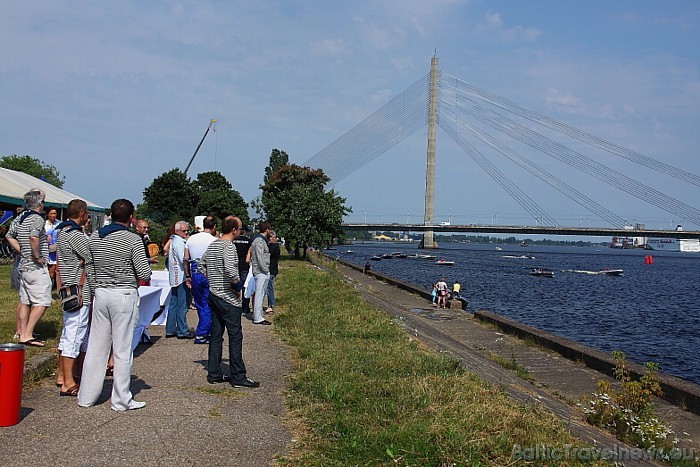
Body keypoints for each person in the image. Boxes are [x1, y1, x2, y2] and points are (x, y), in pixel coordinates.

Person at [78, 198, 151, 411]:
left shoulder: (95, 237)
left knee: (96, 346)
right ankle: (121, 399)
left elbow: (89, 268)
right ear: (131, 218)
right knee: (122, 348)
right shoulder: (133, 240)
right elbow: (144, 272)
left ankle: (87, 396)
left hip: (100, 292)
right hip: (123, 293)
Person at [200, 216, 259, 388]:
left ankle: (214, 373)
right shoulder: (228, 247)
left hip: (214, 294)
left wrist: (212, 279)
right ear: (234, 230)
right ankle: (238, 376)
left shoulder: (213, 245)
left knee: (216, 336)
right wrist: (237, 287)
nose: (240, 231)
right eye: (239, 229)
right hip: (228, 298)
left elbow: (201, 265)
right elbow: (231, 270)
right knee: (235, 336)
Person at [55, 199, 92, 397]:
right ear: (82, 213)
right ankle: (68, 382)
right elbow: (91, 255)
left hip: (67, 286)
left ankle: (63, 375)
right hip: (79, 289)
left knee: (67, 332)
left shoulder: (62, 231)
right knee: (75, 333)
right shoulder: (75, 234)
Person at [5, 189, 50, 347]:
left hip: (23, 264)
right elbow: (33, 237)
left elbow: (9, 236)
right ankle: (27, 334)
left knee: (25, 300)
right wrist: (37, 256)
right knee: (42, 301)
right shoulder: (37, 219)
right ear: (39, 203)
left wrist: (21, 250)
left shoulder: (20, 218)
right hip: (35, 266)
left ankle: (21, 331)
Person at [184, 216, 217, 344]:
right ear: (214, 227)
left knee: (199, 304)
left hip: (194, 272)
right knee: (208, 304)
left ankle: (205, 329)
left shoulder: (191, 239)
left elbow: (185, 259)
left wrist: (188, 276)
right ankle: (202, 333)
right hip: (208, 273)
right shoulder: (214, 241)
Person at [166, 221, 193, 339]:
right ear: (177, 231)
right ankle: (182, 330)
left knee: (174, 304)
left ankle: (170, 329)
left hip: (175, 276)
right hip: (181, 275)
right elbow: (184, 259)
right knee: (182, 305)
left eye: (187, 230)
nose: (186, 232)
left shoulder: (174, 241)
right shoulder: (180, 243)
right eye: (184, 231)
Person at [249, 221, 272, 325]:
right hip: (261, 271)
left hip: (262, 271)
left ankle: (258, 315)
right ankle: (258, 317)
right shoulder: (259, 241)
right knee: (259, 294)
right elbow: (259, 256)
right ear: (267, 230)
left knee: (261, 293)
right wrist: (265, 269)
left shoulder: (260, 240)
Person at [232, 225, 252, 314]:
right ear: (245, 232)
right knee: (245, 286)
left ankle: (234, 305)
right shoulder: (248, 241)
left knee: (234, 285)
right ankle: (245, 307)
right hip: (244, 264)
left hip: (235, 264)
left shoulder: (233, 240)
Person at [134, 219, 157, 286]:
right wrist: (149, 260)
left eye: (147, 227)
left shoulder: (143, 238)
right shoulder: (137, 240)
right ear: (137, 228)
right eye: (144, 227)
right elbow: (137, 257)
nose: (146, 229)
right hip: (139, 273)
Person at [265, 230, 280, 314]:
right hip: (270, 270)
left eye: (271, 237)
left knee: (269, 288)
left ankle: (271, 305)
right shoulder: (270, 246)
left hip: (271, 270)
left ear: (274, 238)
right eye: (269, 237)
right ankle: (270, 304)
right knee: (268, 287)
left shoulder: (275, 247)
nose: (269, 239)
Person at [45, 206, 60, 290]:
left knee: (52, 272)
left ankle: (50, 289)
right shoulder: (44, 225)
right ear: (48, 214)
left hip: (55, 251)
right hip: (46, 250)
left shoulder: (59, 224)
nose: (53, 215)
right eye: (51, 213)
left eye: (55, 213)